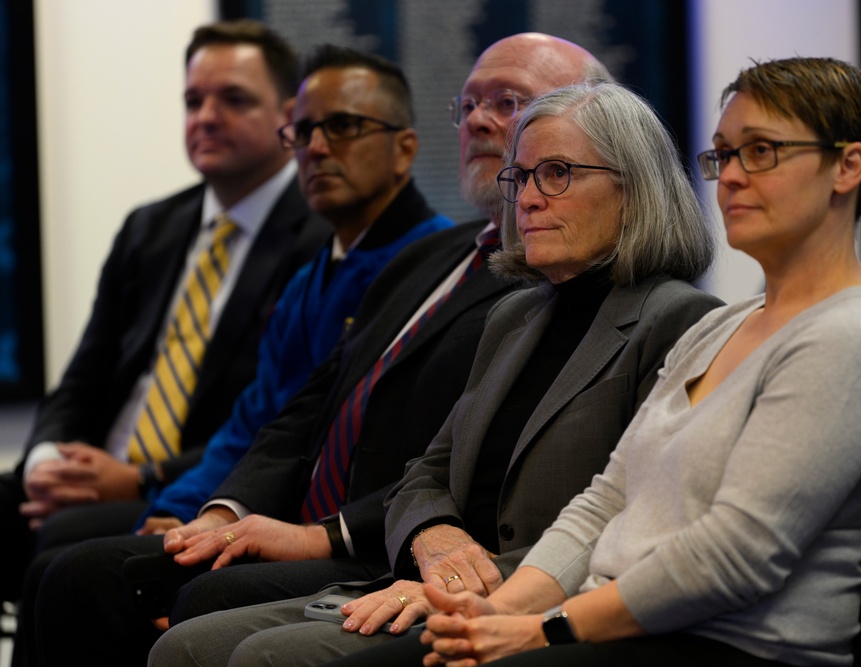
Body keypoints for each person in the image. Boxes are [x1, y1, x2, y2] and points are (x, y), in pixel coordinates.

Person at [30, 33, 625, 667]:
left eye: (508, 102)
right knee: (76, 569)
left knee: (141, 586)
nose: (479, 120)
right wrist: (220, 510)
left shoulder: (557, 286)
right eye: (468, 104)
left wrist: (324, 535)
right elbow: (304, 410)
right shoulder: (429, 258)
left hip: (392, 542)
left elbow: (475, 470)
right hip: (352, 524)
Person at [329, 59, 861, 667]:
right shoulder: (725, 325)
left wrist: (545, 628)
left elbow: (735, 556)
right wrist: (504, 610)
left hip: (726, 646)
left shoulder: (851, 338)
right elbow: (607, 500)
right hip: (617, 622)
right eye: (723, 155)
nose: (732, 178)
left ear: (848, 166)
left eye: (762, 152)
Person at [147, 74, 724, 667]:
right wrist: (432, 538)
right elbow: (426, 473)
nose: (526, 199)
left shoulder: (680, 319)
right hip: (431, 579)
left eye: (557, 174)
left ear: (637, 188)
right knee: (184, 647)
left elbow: (634, 522)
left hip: (538, 603)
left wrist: (463, 586)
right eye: (520, 176)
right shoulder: (515, 315)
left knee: (262, 658)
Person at [9, 42, 453, 667]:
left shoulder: (435, 267)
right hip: (266, 507)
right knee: (72, 564)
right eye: (303, 131)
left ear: (406, 147)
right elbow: (259, 424)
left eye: (344, 127)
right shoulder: (314, 276)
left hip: (356, 527)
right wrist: (182, 509)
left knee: (79, 571)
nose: (318, 148)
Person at [0, 19, 329, 605]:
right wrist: (48, 461)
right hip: (95, 469)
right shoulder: (150, 228)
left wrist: (140, 478)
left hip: (193, 484)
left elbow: (283, 415)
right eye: (192, 100)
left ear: (288, 118)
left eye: (233, 99)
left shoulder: (320, 239)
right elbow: (82, 378)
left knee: (64, 550)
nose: (204, 116)